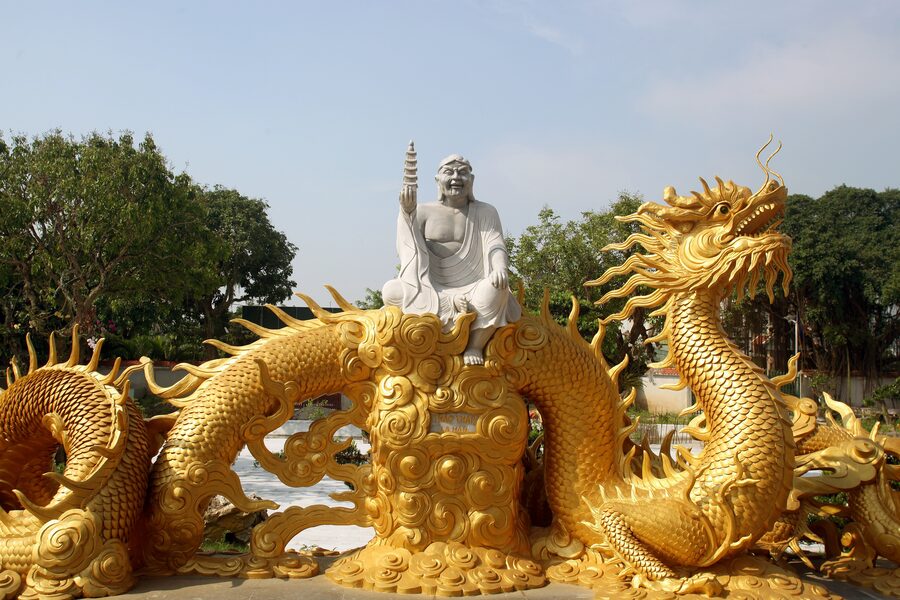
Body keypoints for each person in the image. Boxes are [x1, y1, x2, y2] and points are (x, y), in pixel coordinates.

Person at [382, 154, 521, 365]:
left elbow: (495, 245)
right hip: (433, 289)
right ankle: (451, 306)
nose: (456, 177)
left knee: (497, 289)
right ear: (438, 181)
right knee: (391, 291)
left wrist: (499, 269)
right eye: (449, 172)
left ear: (471, 181)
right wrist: (407, 213)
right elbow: (407, 249)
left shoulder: (486, 212)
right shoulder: (423, 211)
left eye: (462, 172)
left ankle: (475, 345)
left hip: (473, 288)